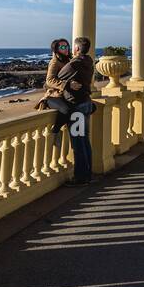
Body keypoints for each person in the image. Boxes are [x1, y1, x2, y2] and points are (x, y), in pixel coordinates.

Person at [55, 36, 96, 186]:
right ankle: (88, 174)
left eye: (73, 47)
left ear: (77, 49)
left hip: (77, 107)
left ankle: (81, 178)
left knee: (78, 144)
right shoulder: (89, 61)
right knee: (84, 141)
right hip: (86, 104)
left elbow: (57, 77)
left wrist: (65, 82)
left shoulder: (75, 64)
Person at [35, 38, 73, 129]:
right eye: (63, 47)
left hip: (64, 95)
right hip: (53, 97)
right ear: (56, 49)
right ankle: (55, 130)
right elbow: (49, 80)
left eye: (67, 46)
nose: (66, 48)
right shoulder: (54, 62)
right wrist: (66, 85)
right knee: (67, 110)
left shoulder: (68, 60)